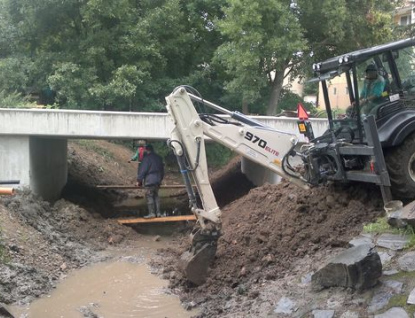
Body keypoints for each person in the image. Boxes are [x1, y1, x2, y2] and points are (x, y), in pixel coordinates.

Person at [136, 144, 165, 218]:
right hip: (157, 180)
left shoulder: (146, 159)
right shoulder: (159, 158)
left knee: (149, 195)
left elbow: (143, 170)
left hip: (150, 180)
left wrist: (139, 180)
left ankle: (152, 213)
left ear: (146, 150)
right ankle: (158, 213)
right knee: (156, 196)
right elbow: (162, 171)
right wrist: (160, 179)